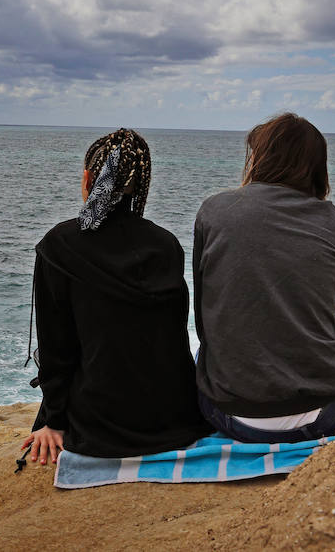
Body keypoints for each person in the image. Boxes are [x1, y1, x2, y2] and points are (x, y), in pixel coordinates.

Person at [21, 129, 209, 465]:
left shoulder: (60, 245)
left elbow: (55, 348)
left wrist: (53, 421)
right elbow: (170, 339)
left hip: (101, 426)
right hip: (175, 417)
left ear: (88, 178)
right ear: (140, 186)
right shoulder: (165, 244)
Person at [192, 113, 335, 443]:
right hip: (328, 414)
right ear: (318, 166)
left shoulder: (214, 211)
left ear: (260, 158)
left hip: (229, 412)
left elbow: (204, 319)